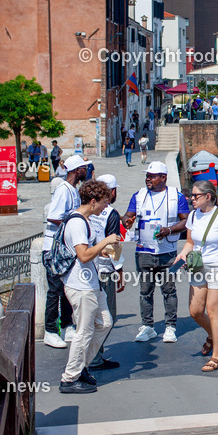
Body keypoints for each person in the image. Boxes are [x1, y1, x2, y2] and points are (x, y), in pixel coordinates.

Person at [58, 180, 121, 393]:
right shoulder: (77, 223)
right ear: (92, 201)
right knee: (83, 332)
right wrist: (105, 242)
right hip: (81, 285)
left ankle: (81, 366)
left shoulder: (84, 220)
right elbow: (83, 256)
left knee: (104, 323)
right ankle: (69, 378)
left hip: (91, 283)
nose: (106, 207)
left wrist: (106, 250)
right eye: (104, 202)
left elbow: (88, 250)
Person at [174, 180, 218, 372]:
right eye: (191, 196)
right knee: (195, 311)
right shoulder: (193, 216)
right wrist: (183, 253)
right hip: (198, 266)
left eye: (195, 196)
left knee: (212, 311)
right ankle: (212, 335)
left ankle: (216, 356)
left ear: (208, 197)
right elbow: (190, 242)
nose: (191, 199)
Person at [122, 161, 190, 343]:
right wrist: (127, 220)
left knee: (169, 290)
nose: (148, 179)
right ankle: (147, 326)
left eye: (152, 176)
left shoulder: (177, 196)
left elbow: (186, 221)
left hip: (169, 253)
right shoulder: (139, 195)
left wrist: (169, 230)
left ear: (163, 177)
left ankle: (170, 327)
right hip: (143, 252)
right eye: (147, 176)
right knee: (145, 291)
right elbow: (127, 215)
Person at [41, 155, 90, 348]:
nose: (86, 170)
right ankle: (50, 331)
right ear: (77, 170)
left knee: (66, 288)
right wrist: (74, 225)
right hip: (53, 249)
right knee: (54, 290)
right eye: (84, 168)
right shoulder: (63, 190)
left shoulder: (73, 190)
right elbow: (53, 217)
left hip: (64, 249)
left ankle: (68, 325)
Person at [88, 174, 125, 370]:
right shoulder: (110, 213)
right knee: (108, 315)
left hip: (87, 268)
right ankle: (94, 358)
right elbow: (113, 246)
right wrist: (120, 271)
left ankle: (91, 355)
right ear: (112, 192)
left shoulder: (87, 210)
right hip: (104, 269)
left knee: (91, 315)